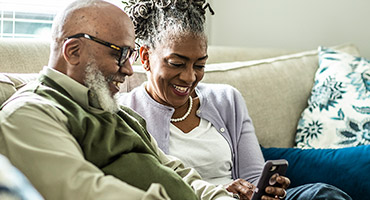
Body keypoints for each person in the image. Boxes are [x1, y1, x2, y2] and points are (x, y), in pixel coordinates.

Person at [0, 0, 236, 199]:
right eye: (118, 54)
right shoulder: (29, 113)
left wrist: (220, 197)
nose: (128, 69)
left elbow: (175, 170)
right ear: (73, 51)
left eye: (130, 55)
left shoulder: (116, 111)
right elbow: (84, 192)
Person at [118, 0, 352, 200]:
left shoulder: (226, 99)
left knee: (322, 194)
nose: (190, 77)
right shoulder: (124, 112)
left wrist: (264, 190)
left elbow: (253, 178)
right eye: (177, 63)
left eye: (199, 65)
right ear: (146, 57)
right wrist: (220, 192)